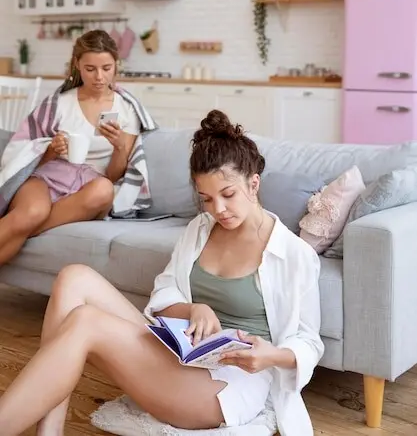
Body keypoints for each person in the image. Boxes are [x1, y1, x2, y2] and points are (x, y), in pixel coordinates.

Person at [0, 109, 324, 436]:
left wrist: (273, 356)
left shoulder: (294, 254)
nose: (218, 210)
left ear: (253, 184)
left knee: (85, 321)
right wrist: (193, 309)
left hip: (228, 382)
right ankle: (50, 429)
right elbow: (164, 295)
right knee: (74, 277)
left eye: (228, 195)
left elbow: (309, 341)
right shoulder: (200, 229)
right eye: (206, 199)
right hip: (183, 352)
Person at [0, 29, 156, 265]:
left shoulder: (127, 109)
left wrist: (119, 147)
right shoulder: (59, 103)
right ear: (77, 65)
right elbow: (23, 151)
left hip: (91, 186)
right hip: (47, 178)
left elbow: (114, 176)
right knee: (32, 212)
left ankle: (24, 227)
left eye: (106, 68)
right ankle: (26, 224)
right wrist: (52, 149)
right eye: (90, 69)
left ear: (116, 65)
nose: (99, 77)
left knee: (104, 190)